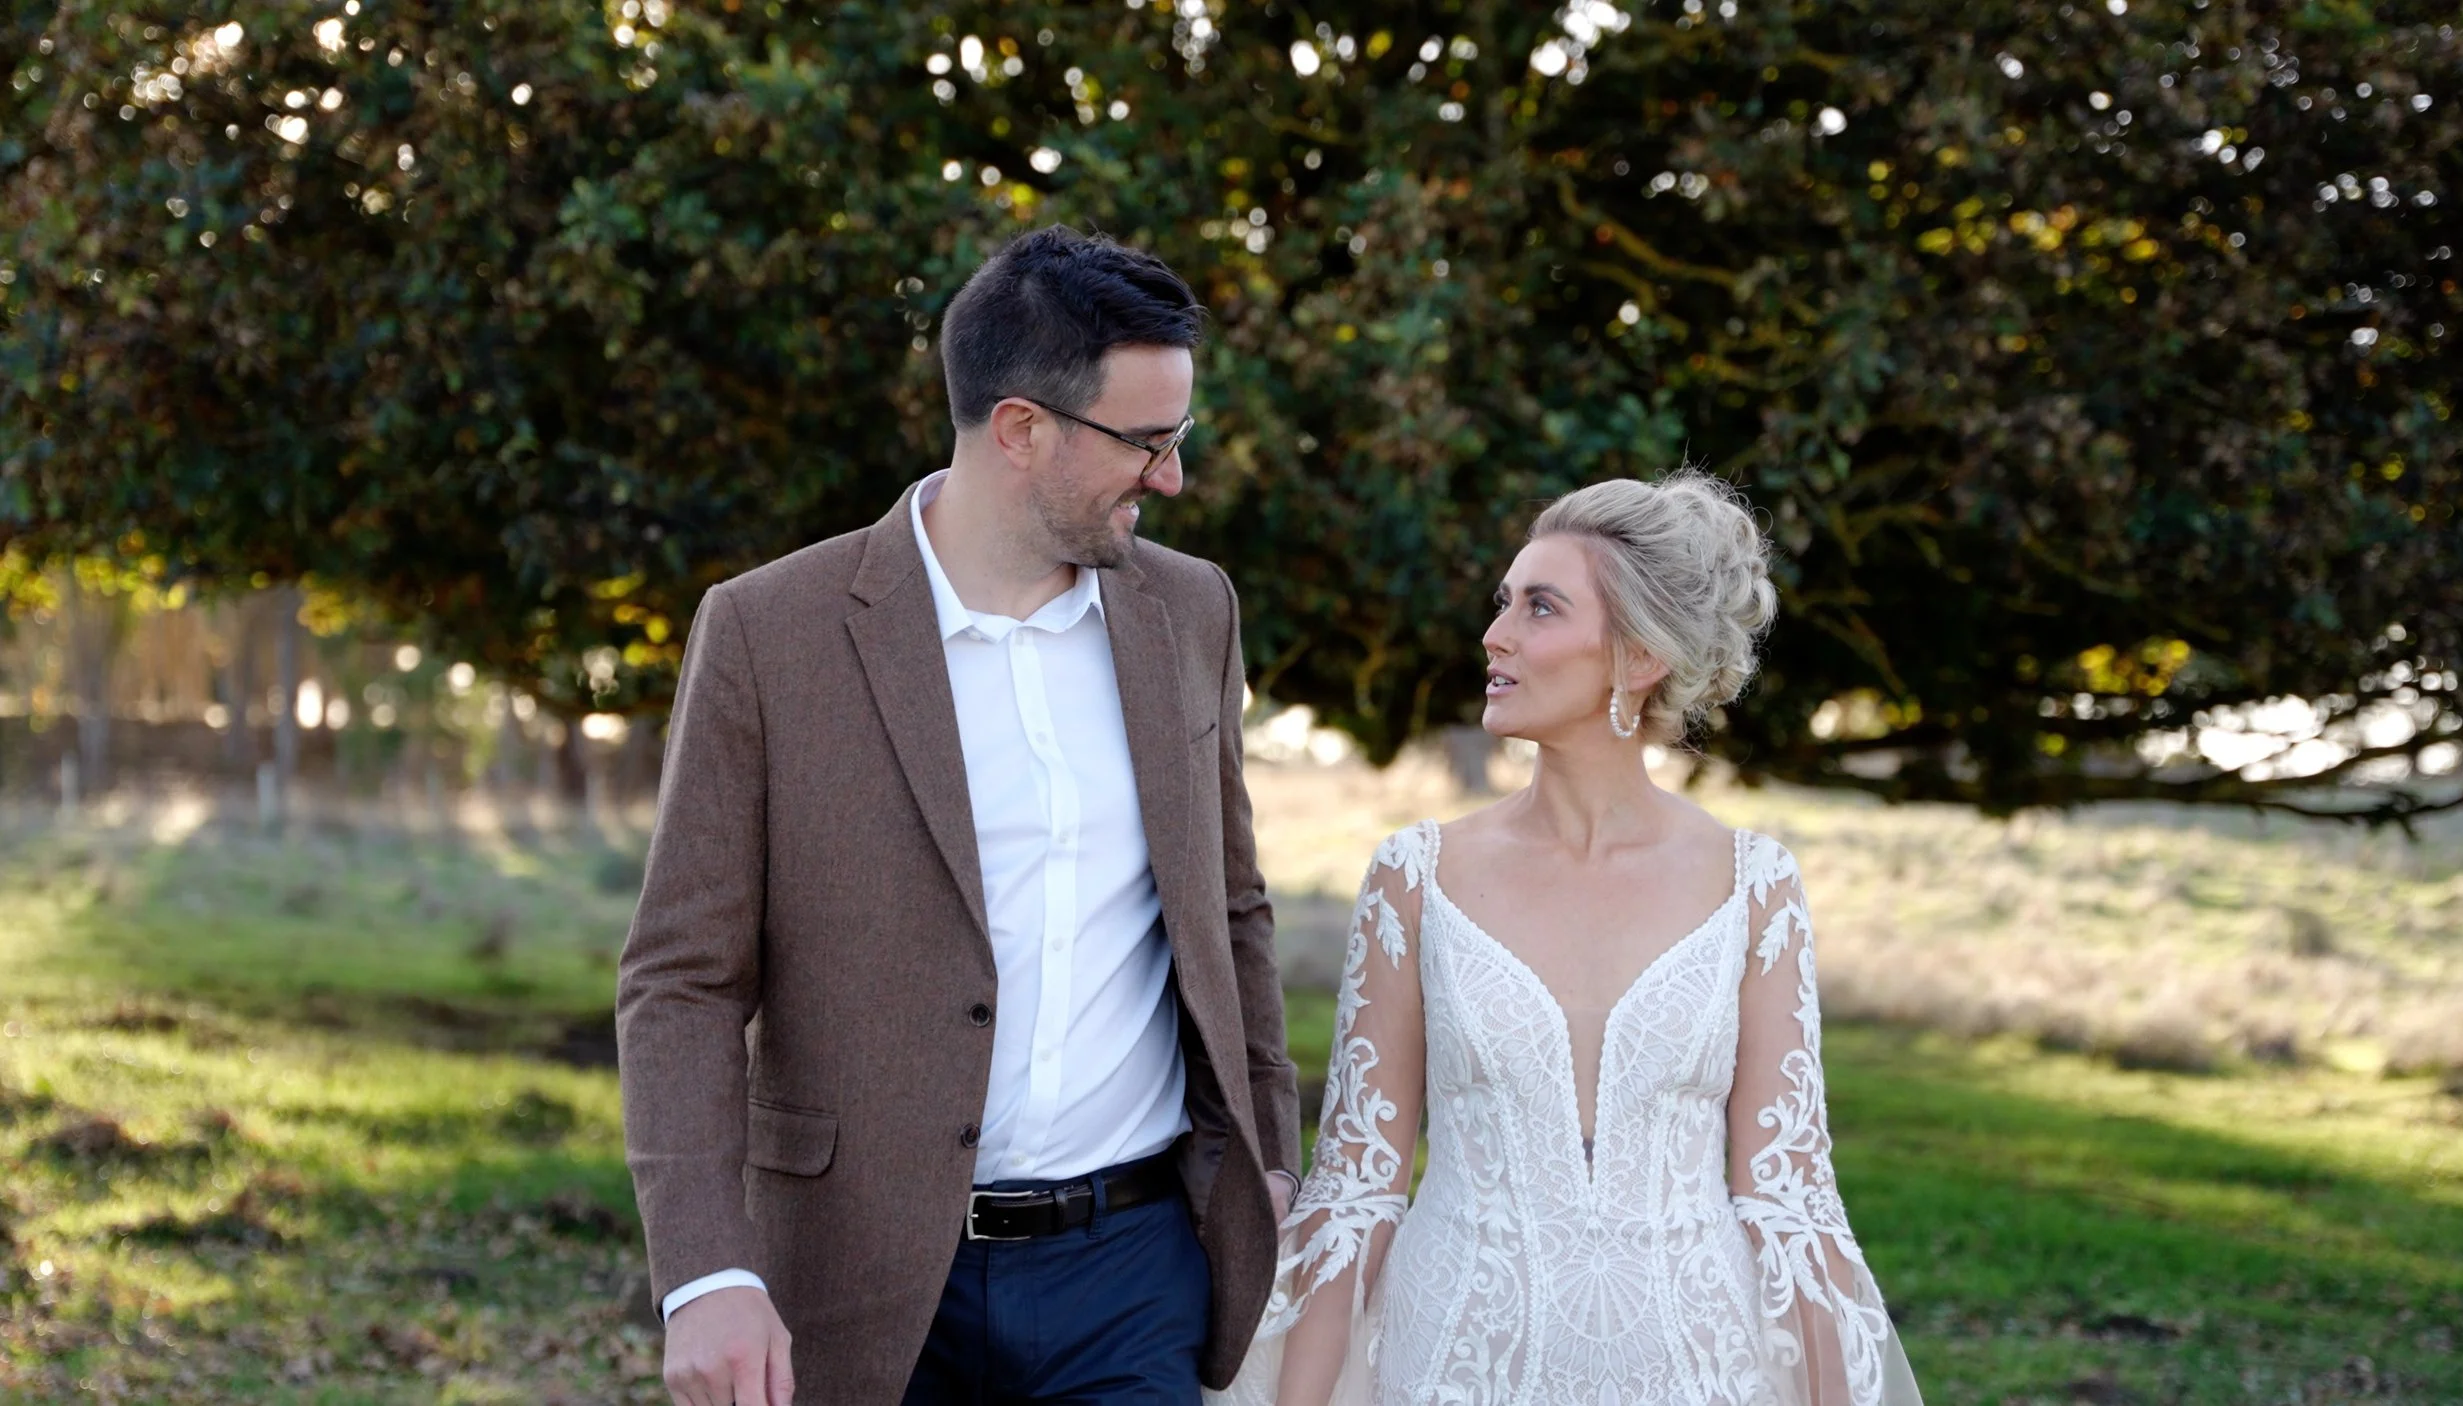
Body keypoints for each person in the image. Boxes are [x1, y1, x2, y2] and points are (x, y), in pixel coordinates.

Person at [617, 226, 1300, 1406]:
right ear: (1021, 428)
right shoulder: (770, 632)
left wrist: (1269, 1153)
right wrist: (705, 1269)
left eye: (1178, 436)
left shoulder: (1192, 610)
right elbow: (681, 980)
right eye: (1145, 441)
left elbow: (1230, 905)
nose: (1172, 478)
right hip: (860, 1278)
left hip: (1133, 1275)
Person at [1213, 474, 1922, 1405]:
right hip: (1454, 1367)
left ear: (1639, 655)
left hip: (1697, 1371)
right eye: (1503, 601)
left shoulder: (1755, 886)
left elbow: (1790, 1202)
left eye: (1540, 607)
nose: (1495, 634)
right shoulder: (1416, 877)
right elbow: (1357, 1190)